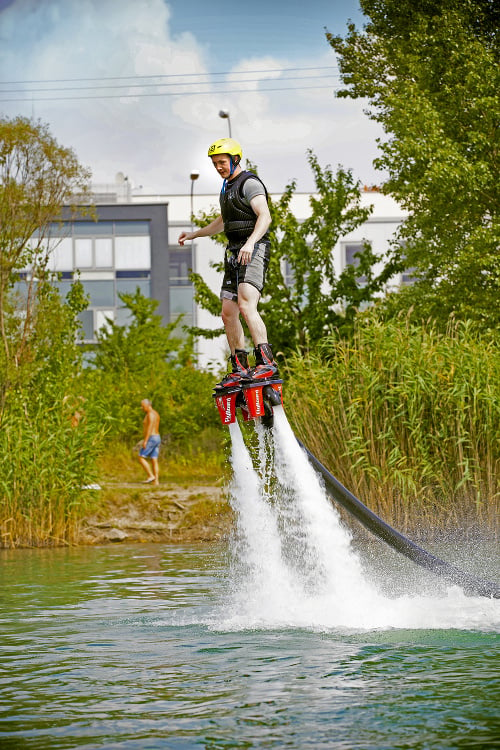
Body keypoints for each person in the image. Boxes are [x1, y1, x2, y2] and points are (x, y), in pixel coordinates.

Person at [178, 137, 279, 388]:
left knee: (246, 303)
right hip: (234, 253)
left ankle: (266, 362)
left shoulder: (249, 183)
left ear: (235, 159)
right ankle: (240, 367)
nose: (218, 167)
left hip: (253, 249)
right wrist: (194, 234)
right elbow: (222, 222)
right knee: (228, 313)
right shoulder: (226, 187)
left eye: (222, 162)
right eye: (214, 164)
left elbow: (264, 216)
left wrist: (250, 243)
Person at [138, 399, 161, 485]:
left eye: (143, 406)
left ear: (148, 405)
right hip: (157, 437)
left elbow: (150, 428)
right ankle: (156, 481)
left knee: (141, 457)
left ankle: (150, 475)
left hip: (151, 438)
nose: (142, 408)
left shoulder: (150, 414)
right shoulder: (156, 413)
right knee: (154, 459)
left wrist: (145, 441)